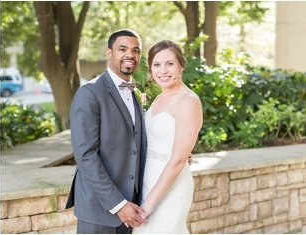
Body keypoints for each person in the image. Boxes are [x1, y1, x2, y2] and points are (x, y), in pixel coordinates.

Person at [65, 29, 148, 234]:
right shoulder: (90, 93)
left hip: (133, 207)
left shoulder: (135, 93)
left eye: (135, 50)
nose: (130, 54)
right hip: (99, 209)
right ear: (109, 53)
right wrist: (119, 204)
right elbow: (86, 155)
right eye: (123, 49)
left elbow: (136, 142)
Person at [132, 40, 203, 233]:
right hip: (148, 180)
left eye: (170, 63)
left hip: (171, 187)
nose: (163, 70)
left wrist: (149, 205)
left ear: (181, 66)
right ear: (150, 69)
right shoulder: (158, 99)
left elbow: (179, 160)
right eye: (157, 64)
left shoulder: (189, 101)